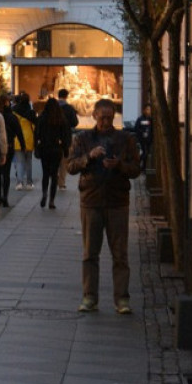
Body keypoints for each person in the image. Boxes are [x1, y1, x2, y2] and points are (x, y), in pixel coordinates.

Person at [66, 98, 142, 315]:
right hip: (91, 200)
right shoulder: (83, 138)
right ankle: (89, 296)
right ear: (94, 116)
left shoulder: (124, 139)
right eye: (102, 118)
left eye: (109, 118)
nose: (106, 122)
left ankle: (122, 299)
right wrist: (88, 157)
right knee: (90, 253)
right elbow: (70, 166)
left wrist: (119, 165)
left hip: (117, 201)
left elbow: (136, 169)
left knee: (120, 254)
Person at [35, 96, 71, 210]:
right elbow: (65, 136)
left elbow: (36, 134)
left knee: (45, 173)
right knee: (54, 175)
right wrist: (66, 150)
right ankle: (52, 200)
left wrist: (36, 147)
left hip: (44, 148)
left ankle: (44, 193)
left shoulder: (42, 118)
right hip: (56, 149)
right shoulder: (61, 119)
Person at [0, 94, 23, 207]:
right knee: (6, 173)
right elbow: (18, 131)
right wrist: (23, 145)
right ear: (6, 102)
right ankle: (5, 196)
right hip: (9, 146)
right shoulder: (11, 116)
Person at [12, 91, 36, 190]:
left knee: (19, 162)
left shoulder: (14, 112)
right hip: (29, 139)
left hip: (17, 139)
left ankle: (19, 183)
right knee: (29, 162)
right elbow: (34, 126)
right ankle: (29, 183)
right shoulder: (31, 112)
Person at [56, 88, 79, 189]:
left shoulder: (53, 107)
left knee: (54, 159)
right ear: (66, 96)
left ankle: (54, 177)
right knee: (64, 160)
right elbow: (75, 123)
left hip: (53, 137)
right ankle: (61, 182)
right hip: (66, 137)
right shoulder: (69, 108)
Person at [134, 104, 153, 168]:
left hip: (149, 139)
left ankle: (143, 167)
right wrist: (142, 133)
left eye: (150, 110)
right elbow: (136, 128)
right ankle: (138, 162)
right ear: (144, 110)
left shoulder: (150, 119)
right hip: (142, 139)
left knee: (146, 154)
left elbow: (151, 128)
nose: (149, 111)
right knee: (145, 153)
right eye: (147, 109)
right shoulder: (140, 119)